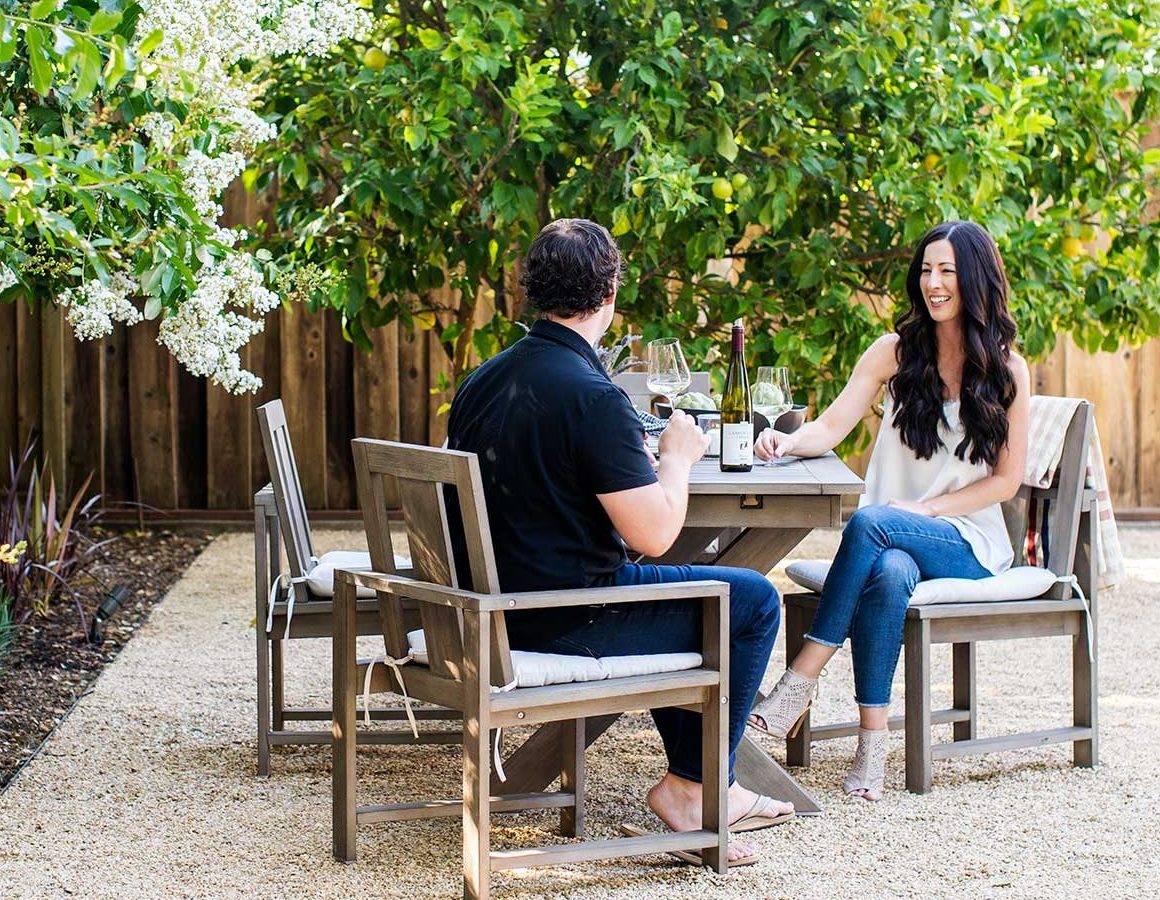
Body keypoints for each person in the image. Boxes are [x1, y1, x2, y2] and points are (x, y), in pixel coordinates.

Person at [447, 218, 789, 865]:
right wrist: (678, 457)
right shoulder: (592, 395)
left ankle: (713, 783)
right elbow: (657, 534)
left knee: (696, 599)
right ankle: (692, 788)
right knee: (751, 601)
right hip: (563, 618)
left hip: (491, 611)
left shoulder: (481, 381)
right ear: (609, 295)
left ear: (531, 290)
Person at [749, 220, 1031, 801]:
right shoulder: (894, 353)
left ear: (975, 278)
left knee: (871, 522)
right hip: (892, 543)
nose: (933, 282)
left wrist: (926, 508)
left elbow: (1005, 483)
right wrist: (784, 440)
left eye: (948, 270)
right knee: (891, 569)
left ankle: (799, 680)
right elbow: (830, 425)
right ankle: (872, 747)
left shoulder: (1008, 370)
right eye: (927, 269)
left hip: (968, 543)